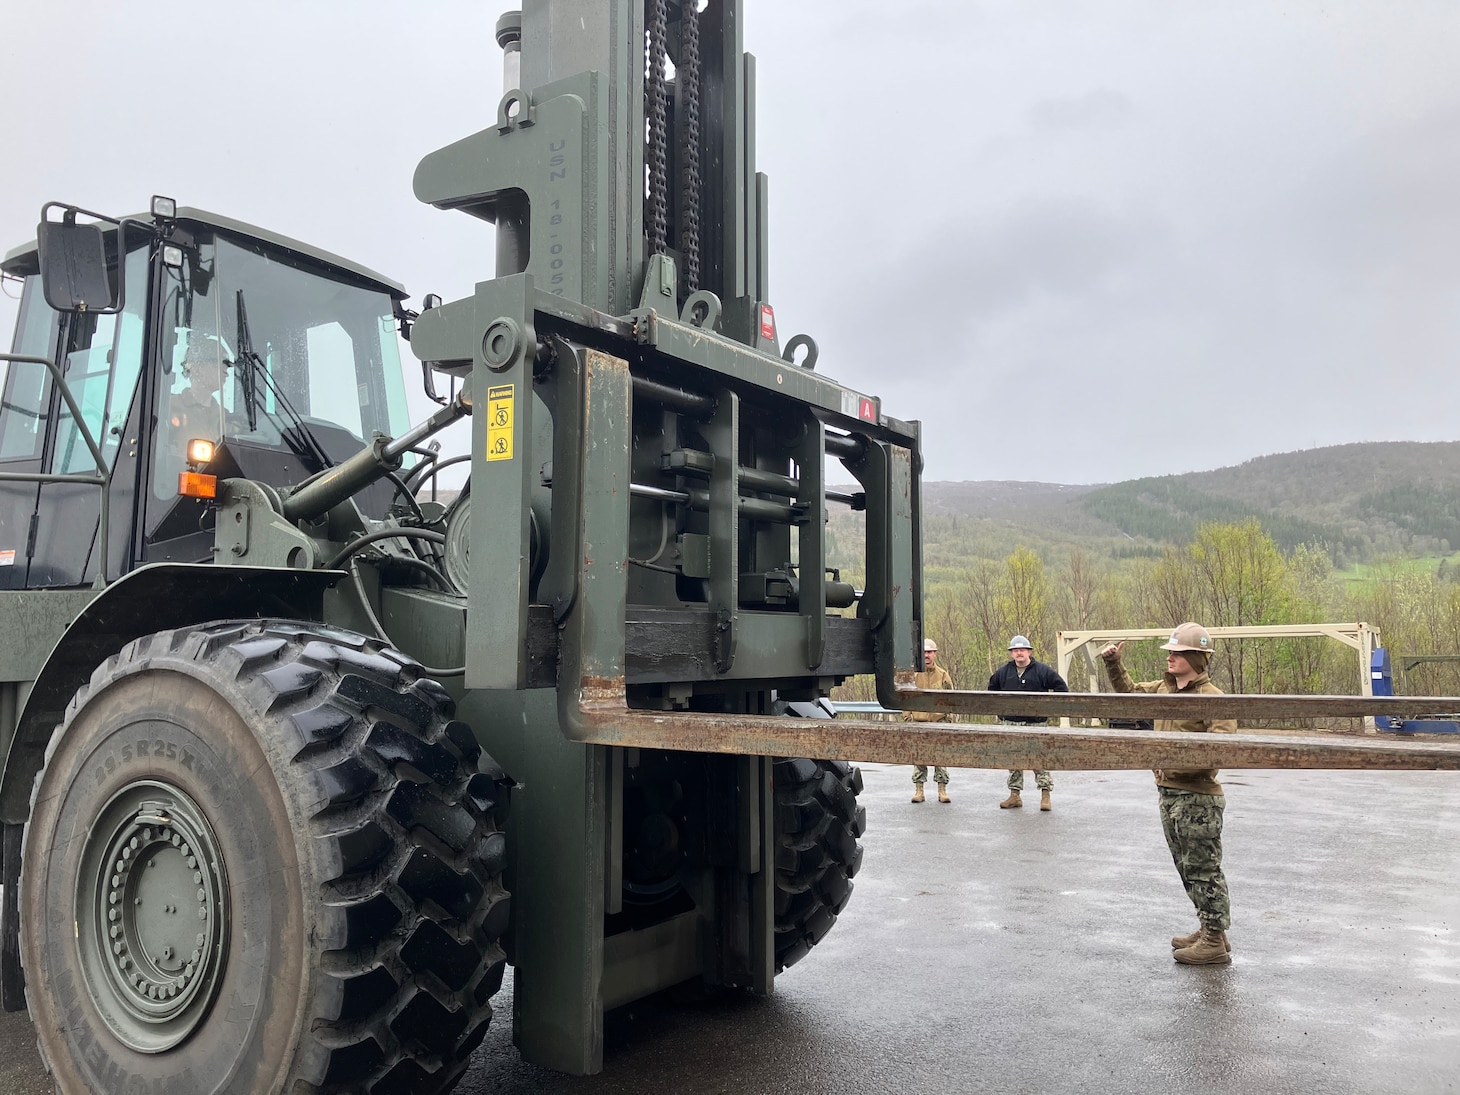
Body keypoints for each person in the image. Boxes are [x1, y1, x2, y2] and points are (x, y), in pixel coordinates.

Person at [1099, 622, 1236, 966]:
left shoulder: (1213, 699)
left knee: (1205, 868)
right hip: (1169, 793)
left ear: (1196, 658)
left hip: (1198, 798)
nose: (1171, 657)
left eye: (1177, 652)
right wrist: (1113, 663)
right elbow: (1129, 695)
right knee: (1186, 866)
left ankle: (1215, 940)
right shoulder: (1164, 689)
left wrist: (1172, 763)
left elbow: (1218, 751)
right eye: (1170, 652)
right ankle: (1209, 928)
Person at [988, 635, 1067, 811]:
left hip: (1036, 724)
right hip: (1011, 723)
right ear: (1011, 654)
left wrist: (1048, 709)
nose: (1019, 653)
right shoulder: (1003, 672)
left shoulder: (1043, 671)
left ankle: (1045, 796)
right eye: (1015, 650)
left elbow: (1062, 688)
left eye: (1022, 650)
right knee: (1013, 759)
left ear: (1029, 651)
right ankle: (1014, 795)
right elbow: (991, 692)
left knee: (1039, 759)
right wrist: (1001, 713)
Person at [906, 637, 954, 804]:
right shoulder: (912, 674)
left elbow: (951, 698)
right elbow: (905, 697)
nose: (927, 655)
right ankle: (919, 790)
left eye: (930, 652)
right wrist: (908, 717)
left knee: (940, 757)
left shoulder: (943, 675)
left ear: (935, 654)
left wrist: (948, 717)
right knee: (919, 757)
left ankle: (942, 790)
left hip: (938, 722)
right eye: (924, 652)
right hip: (918, 722)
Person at [169, 339, 229, 439]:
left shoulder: (226, 418)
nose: (226, 373)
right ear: (196, 368)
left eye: (226, 368)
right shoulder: (171, 408)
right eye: (218, 365)